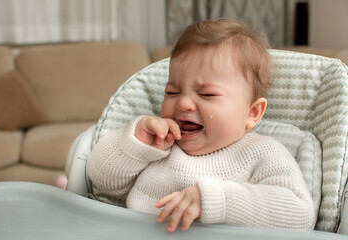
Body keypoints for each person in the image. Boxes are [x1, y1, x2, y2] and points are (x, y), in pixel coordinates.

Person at [87, 19, 315, 232]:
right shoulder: (159, 145)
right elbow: (102, 181)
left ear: (252, 113)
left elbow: (300, 215)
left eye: (207, 94)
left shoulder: (262, 153)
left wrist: (217, 201)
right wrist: (137, 143)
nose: (183, 103)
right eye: (172, 92)